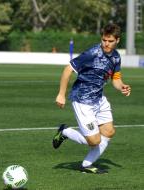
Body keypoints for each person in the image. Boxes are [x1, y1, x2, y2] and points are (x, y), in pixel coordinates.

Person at [53, 23, 131, 174]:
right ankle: (64, 132)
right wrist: (61, 94)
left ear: (117, 40)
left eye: (110, 41)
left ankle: (86, 165)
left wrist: (122, 86)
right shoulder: (92, 53)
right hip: (82, 100)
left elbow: (116, 79)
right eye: (104, 40)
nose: (106, 44)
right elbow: (68, 69)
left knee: (108, 132)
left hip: (99, 99)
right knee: (94, 141)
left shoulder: (116, 57)